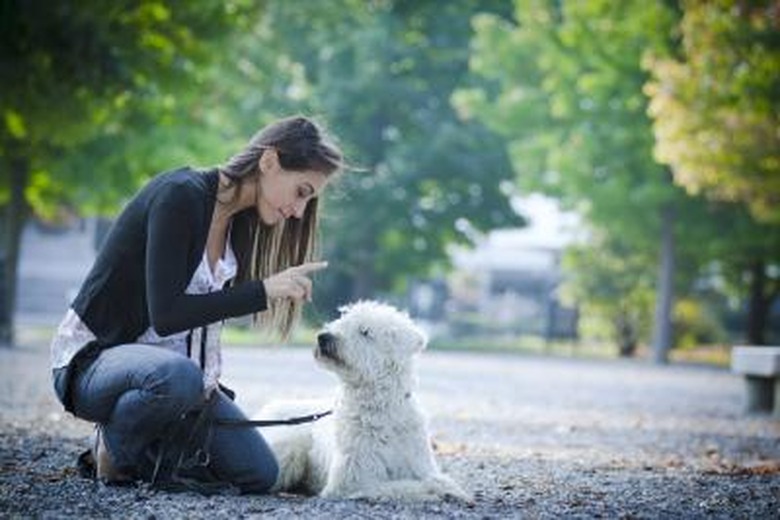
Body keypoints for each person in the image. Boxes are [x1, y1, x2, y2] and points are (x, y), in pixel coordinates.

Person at [50, 115, 344, 494]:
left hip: (183, 383)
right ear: (269, 161)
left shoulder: (241, 222)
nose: (300, 211)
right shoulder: (180, 195)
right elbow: (168, 314)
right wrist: (262, 291)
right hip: (94, 362)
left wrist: (207, 387)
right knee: (178, 377)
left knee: (260, 475)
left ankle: (148, 447)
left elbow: (202, 325)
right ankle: (112, 447)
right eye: (301, 191)